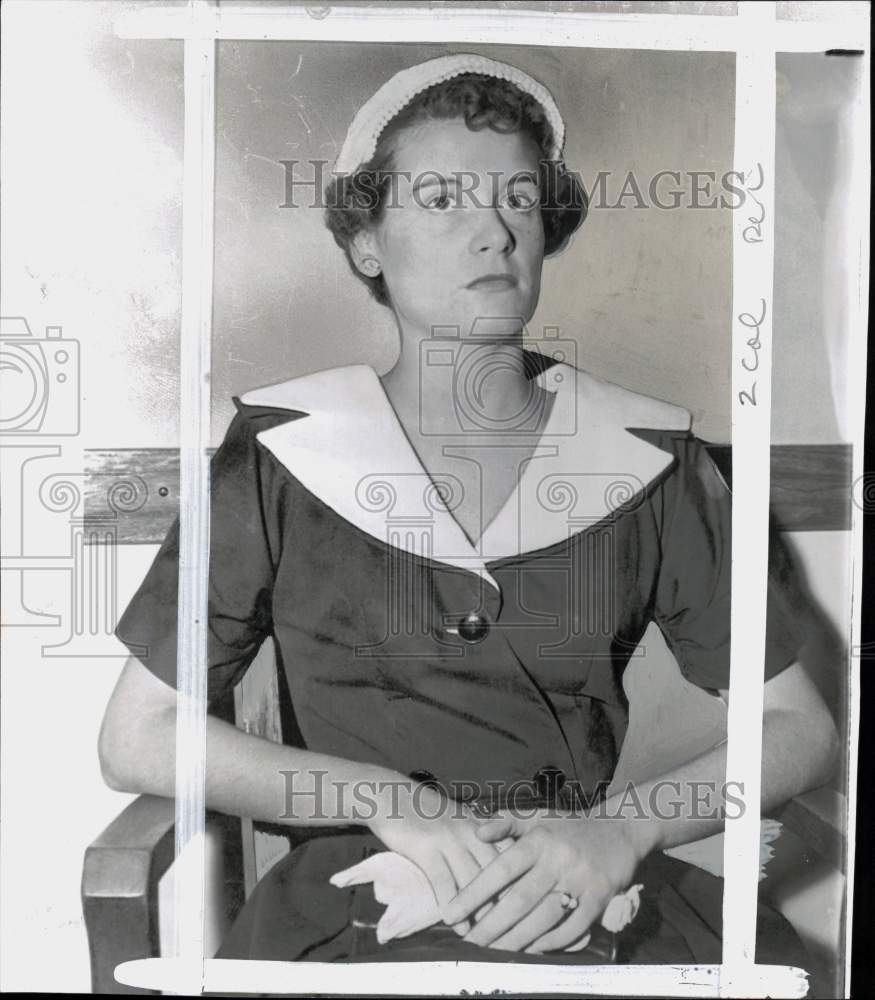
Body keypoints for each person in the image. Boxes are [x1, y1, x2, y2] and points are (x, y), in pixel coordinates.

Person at [99, 53, 839, 966]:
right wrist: (380, 797)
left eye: (519, 200)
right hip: (351, 906)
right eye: (443, 199)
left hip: (583, 882)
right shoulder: (280, 455)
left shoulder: (649, 453)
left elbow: (797, 726)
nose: (492, 232)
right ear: (367, 241)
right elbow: (138, 735)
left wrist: (622, 832)